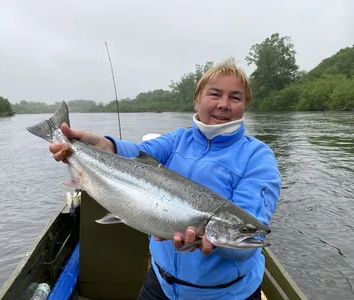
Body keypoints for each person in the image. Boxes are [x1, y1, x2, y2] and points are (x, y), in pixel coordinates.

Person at [50, 59, 281, 300]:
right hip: (160, 284)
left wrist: (217, 242)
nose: (224, 104)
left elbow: (246, 245)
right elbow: (138, 153)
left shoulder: (258, 156)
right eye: (215, 94)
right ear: (197, 100)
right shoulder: (178, 140)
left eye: (235, 97)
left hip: (226, 294)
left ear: (245, 105)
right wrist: (103, 145)